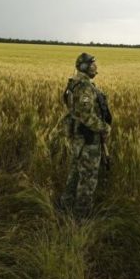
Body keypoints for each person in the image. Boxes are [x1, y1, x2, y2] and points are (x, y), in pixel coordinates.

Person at [59, 52, 112, 217]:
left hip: (78, 139)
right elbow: (86, 115)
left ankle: (65, 208)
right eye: (92, 64)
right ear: (83, 67)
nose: (95, 67)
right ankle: (81, 217)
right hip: (88, 141)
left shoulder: (74, 84)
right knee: (88, 179)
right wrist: (104, 128)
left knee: (75, 174)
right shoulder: (84, 87)